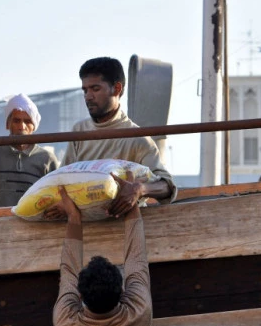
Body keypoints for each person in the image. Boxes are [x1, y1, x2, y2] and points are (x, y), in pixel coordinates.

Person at [46, 56, 177, 219]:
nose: (88, 96)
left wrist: (139, 189)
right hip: (84, 229)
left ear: (116, 88)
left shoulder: (138, 139)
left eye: (95, 88)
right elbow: (62, 181)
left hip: (123, 228)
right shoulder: (79, 131)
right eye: (85, 90)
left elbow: (167, 187)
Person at [53, 172, 152, 326]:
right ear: (122, 291)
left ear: (80, 295)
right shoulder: (139, 312)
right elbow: (137, 259)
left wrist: (74, 217)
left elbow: (69, 273)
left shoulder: (65, 323)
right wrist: (131, 197)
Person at [0, 93, 59, 209]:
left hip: (33, 226)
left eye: (28, 121)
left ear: (34, 126)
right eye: (16, 121)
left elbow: (54, 201)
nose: (22, 126)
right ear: (7, 124)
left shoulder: (47, 158)